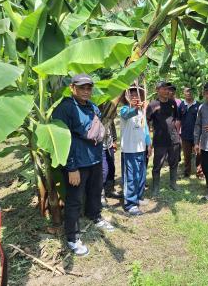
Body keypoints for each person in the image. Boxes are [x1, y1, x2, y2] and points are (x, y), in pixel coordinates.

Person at [52, 74, 114, 256]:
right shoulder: (66, 108)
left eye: (88, 88)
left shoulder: (93, 107)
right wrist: (71, 168)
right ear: (72, 88)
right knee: (74, 200)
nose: (86, 91)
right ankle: (72, 237)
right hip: (77, 163)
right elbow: (63, 139)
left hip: (95, 159)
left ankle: (95, 215)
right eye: (82, 87)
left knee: (95, 191)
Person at [120, 85, 152, 216]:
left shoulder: (141, 111)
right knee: (131, 177)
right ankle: (130, 204)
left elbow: (145, 129)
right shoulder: (124, 109)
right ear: (127, 97)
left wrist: (148, 144)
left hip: (141, 149)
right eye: (132, 95)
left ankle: (138, 197)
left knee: (141, 175)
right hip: (129, 149)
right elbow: (127, 115)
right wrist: (134, 107)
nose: (135, 97)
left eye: (137, 95)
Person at [147, 81, 181, 196]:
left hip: (174, 138)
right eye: (164, 89)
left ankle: (173, 183)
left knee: (174, 162)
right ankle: (156, 187)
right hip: (160, 139)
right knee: (157, 165)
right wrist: (148, 139)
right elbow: (146, 121)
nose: (167, 91)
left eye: (168, 89)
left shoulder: (172, 103)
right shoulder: (153, 105)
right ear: (157, 90)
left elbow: (176, 118)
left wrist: (177, 133)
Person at [179, 87, 202, 178]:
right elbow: (178, 120)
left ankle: (199, 172)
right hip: (185, 135)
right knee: (186, 155)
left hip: (197, 135)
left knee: (199, 154)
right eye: (186, 91)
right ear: (183, 93)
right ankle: (187, 172)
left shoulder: (199, 105)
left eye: (190, 91)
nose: (188, 93)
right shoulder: (181, 105)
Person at [102, 120, 119, 205]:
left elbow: (112, 126)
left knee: (112, 168)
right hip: (100, 147)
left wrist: (115, 140)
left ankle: (110, 190)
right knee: (104, 171)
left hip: (109, 145)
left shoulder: (109, 110)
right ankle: (101, 195)